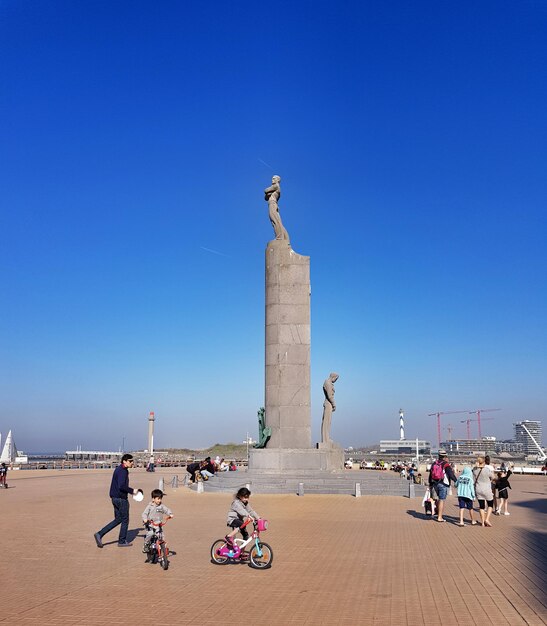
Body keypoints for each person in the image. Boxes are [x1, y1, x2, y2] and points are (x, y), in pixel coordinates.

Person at [94, 454, 141, 547]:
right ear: (124, 461)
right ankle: (122, 541)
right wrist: (133, 491)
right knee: (125, 520)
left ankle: (99, 534)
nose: (132, 463)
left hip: (114, 498)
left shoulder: (119, 469)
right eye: (130, 461)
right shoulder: (123, 471)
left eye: (132, 461)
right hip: (121, 499)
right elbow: (121, 486)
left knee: (118, 519)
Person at [428, 451, 457, 523]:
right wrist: (456, 481)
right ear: (445, 457)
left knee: (437, 499)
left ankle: (437, 513)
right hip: (443, 484)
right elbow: (450, 474)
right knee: (442, 500)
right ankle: (440, 517)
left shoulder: (434, 463)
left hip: (434, 483)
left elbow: (431, 474)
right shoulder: (445, 464)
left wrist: (430, 483)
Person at [264, 175, 290, 241]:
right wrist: (268, 194)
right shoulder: (275, 187)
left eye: (274, 178)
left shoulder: (276, 186)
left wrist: (268, 193)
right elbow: (266, 198)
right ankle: (285, 238)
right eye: (272, 178)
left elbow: (266, 190)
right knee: (277, 221)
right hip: (273, 204)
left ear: (277, 180)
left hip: (273, 203)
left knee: (275, 220)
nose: (272, 179)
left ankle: (279, 237)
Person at [472, 456, 495, 527]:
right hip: (487, 489)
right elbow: (493, 477)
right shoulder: (487, 470)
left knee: (481, 506)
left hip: (478, 489)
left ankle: (482, 522)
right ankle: (487, 519)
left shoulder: (474, 470)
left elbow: (473, 479)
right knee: (490, 504)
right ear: (484, 462)